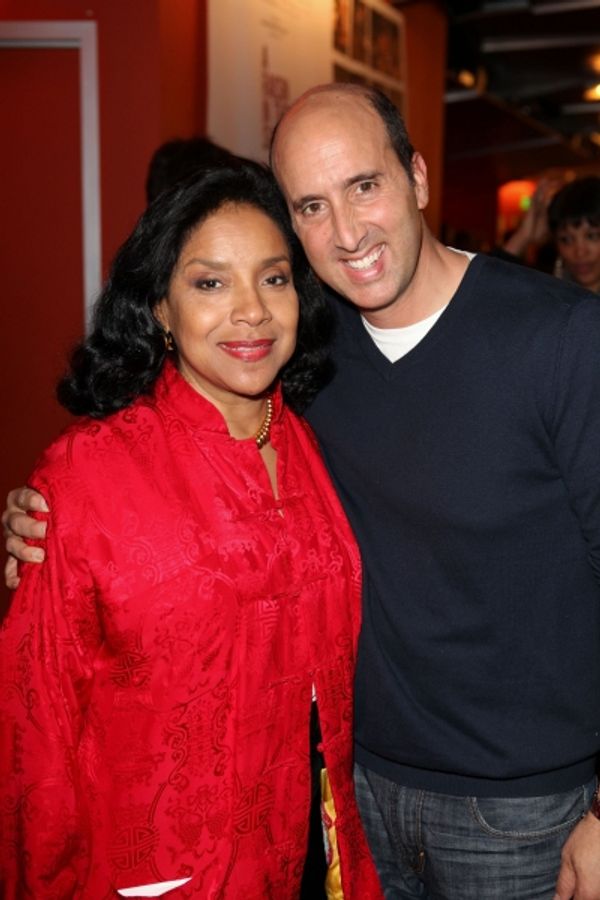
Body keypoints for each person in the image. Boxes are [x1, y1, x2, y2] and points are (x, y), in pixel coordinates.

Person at [5, 82, 600, 899]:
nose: (348, 233)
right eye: (312, 206)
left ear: (418, 177)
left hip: (523, 813)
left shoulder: (562, 338)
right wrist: (46, 521)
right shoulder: (305, 367)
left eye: (365, 186)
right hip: (345, 811)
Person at [0, 159, 381, 899]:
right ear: (160, 309)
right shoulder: (86, 476)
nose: (251, 312)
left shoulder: (314, 444)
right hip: (161, 871)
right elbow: (32, 729)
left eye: (273, 278)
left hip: (314, 848)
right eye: (210, 283)